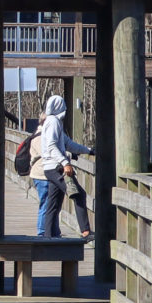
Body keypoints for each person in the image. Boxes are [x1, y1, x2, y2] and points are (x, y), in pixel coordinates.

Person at [33, 93, 92, 239]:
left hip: (50, 168)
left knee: (53, 204)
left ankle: (48, 236)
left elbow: (68, 144)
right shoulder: (53, 122)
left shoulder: (54, 122)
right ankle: (85, 231)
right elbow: (52, 146)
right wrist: (65, 163)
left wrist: (89, 151)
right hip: (56, 167)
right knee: (78, 194)